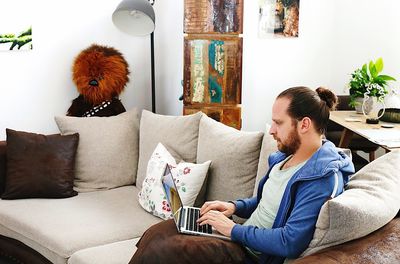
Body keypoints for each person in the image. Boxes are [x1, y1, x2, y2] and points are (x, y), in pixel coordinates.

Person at [197, 86, 355, 264]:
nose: (271, 130)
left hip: (251, 256)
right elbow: (269, 203)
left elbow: (289, 242)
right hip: (237, 241)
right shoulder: (285, 158)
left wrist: (232, 230)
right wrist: (234, 207)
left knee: (164, 246)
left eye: (278, 123)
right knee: (175, 228)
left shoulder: (321, 178)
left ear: (304, 124)